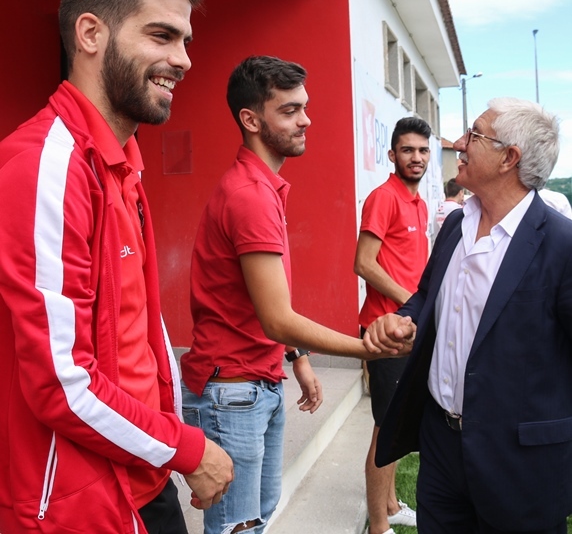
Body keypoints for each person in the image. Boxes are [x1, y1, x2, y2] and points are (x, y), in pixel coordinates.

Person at [0, 0, 234, 534]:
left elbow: (138, 328)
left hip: (138, 471)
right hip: (77, 501)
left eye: (185, 40)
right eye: (161, 35)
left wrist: (165, 440)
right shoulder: (46, 166)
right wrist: (186, 448)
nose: (182, 59)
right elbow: (60, 382)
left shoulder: (121, 162)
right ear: (90, 34)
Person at [180, 55, 400, 534]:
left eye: (305, 107)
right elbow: (279, 318)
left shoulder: (264, 187)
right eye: (290, 110)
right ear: (251, 119)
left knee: (255, 521)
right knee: (238, 528)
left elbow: (262, 307)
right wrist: (366, 348)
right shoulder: (250, 195)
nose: (306, 119)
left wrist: (297, 359)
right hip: (232, 392)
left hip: (257, 382)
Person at [365, 98, 572, 534]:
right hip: (441, 449)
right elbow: (426, 296)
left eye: (474, 135)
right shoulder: (456, 225)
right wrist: (403, 318)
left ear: (508, 159)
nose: (459, 143)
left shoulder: (561, 245)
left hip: (519, 463)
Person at [354, 116, 432, 534]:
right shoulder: (383, 197)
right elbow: (363, 264)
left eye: (422, 150)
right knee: (386, 430)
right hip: (384, 333)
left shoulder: (417, 203)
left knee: (398, 422)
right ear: (392, 155)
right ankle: (379, 525)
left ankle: (390, 503)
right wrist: (414, 304)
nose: (415, 157)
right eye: (407, 150)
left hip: (405, 332)